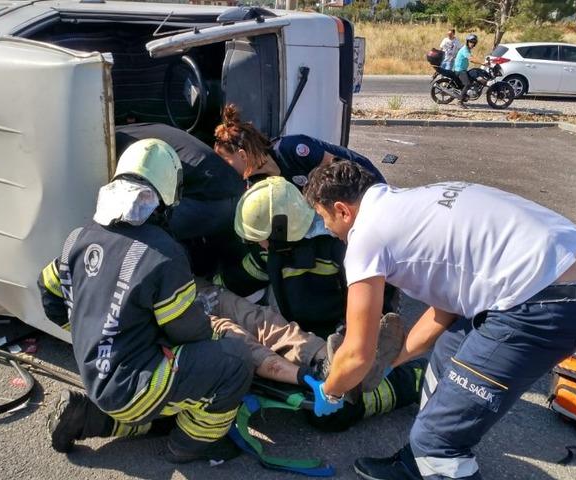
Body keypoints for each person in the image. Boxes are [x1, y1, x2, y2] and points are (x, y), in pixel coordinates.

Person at [303, 161, 576, 480]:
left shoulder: (365, 238)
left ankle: (433, 453)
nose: (327, 229)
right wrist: (390, 361)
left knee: (437, 442)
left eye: (323, 218)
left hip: (542, 303)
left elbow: (356, 353)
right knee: (447, 354)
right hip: (569, 275)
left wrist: (330, 392)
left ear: (342, 210)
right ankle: (415, 463)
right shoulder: (411, 203)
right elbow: (445, 311)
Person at [41, 139, 253, 464]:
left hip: (95, 374)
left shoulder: (78, 238)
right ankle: (189, 446)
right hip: (136, 384)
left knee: (164, 406)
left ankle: (88, 417)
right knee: (235, 362)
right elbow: (189, 332)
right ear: (169, 193)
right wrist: (220, 335)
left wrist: (92, 333)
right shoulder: (163, 253)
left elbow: (49, 294)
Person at [200, 281, 427, 432]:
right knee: (248, 326)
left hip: (190, 288)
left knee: (252, 324)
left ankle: (324, 365)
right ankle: (325, 366)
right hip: (189, 301)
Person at [218, 176, 400, 336]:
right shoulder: (271, 250)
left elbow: (373, 292)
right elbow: (247, 274)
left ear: (279, 230)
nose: (258, 244)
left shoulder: (336, 245)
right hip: (297, 328)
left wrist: (361, 332)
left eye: (260, 238)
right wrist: (215, 285)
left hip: (340, 328)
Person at [115, 122, 246, 275]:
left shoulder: (118, 140)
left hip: (221, 197)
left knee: (143, 220)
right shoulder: (122, 137)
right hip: (209, 184)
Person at [213, 104, 385, 190]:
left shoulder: (290, 148)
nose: (222, 168)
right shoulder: (256, 182)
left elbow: (339, 171)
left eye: (225, 161)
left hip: (363, 182)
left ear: (242, 155)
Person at [454, 34, 479, 107]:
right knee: (468, 84)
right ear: (467, 42)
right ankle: (460, 101)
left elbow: (472, 57)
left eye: (474, 42)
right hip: (460, 70)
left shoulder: (468, 49)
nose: (472, 44)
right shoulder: (465, 49)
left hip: (463, 69)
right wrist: (483, 63)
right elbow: (471, 59)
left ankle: (464, 94)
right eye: (471, 42)